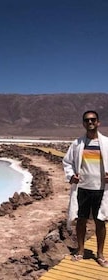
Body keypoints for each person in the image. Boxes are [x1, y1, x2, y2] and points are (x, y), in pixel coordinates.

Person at [63, 110, 108, 267]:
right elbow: (67, 162)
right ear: (83, 123)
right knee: (81, 220)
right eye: (87, 120)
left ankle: (100, 255)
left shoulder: (107, 143)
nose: (90, 122)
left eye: (93, 120)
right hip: (82, 188)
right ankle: (81, 250)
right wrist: (71, 176)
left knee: (100, 221)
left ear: (98, 122)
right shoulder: (77, 144)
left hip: (101, 189)